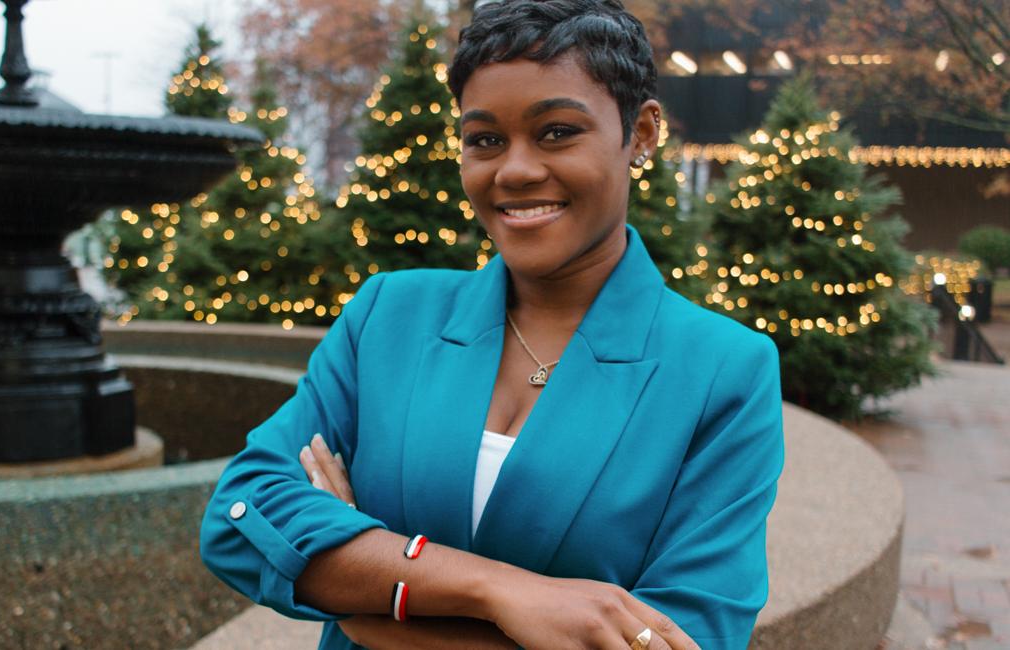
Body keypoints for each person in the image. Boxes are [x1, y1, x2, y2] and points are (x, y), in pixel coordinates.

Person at [200, 1, 784, 648]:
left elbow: (689, 638)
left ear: (641, 133)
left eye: (558, 131)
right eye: (484, 140)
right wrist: (499, 592)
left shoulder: (724, 370)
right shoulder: (388, 315)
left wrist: (368, 598)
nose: (515, 170)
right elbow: (239, 519)